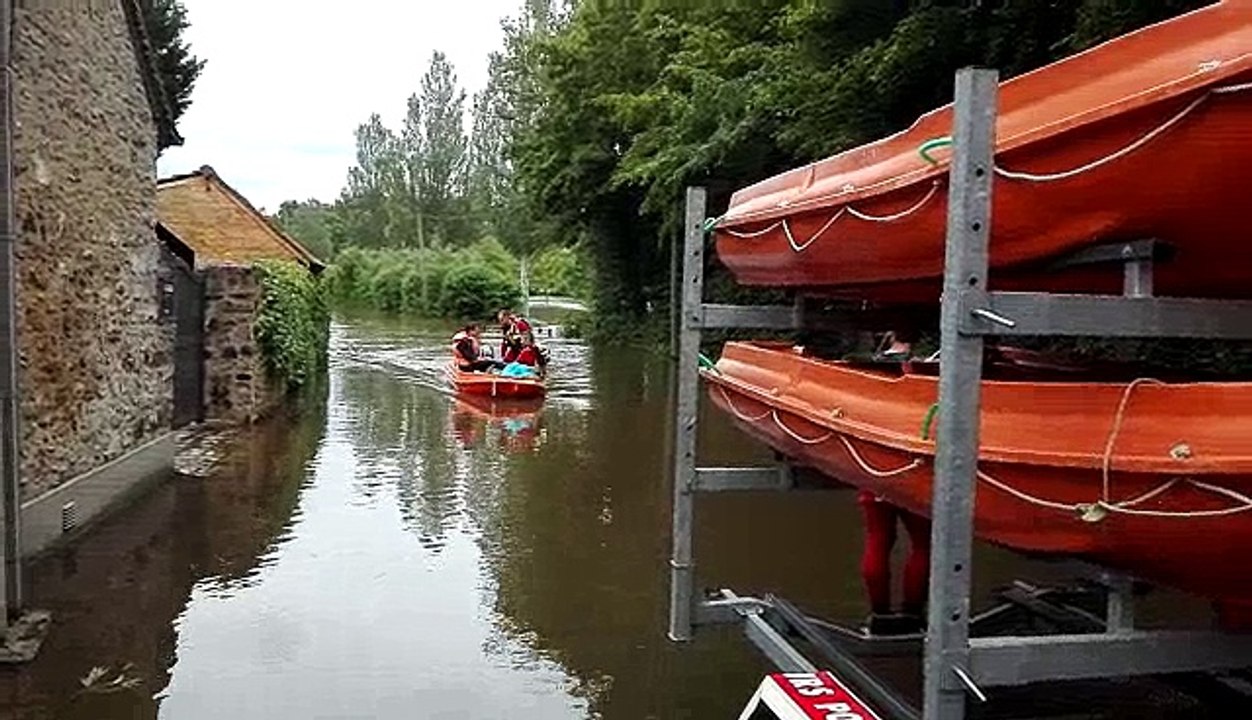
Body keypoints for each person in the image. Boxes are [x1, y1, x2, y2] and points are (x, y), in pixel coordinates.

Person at [859, 489, 931, 635]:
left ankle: (879, 614)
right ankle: (913, 614)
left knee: (877, 540)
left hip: (878, 481)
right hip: (916, 484)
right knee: (922, 545)